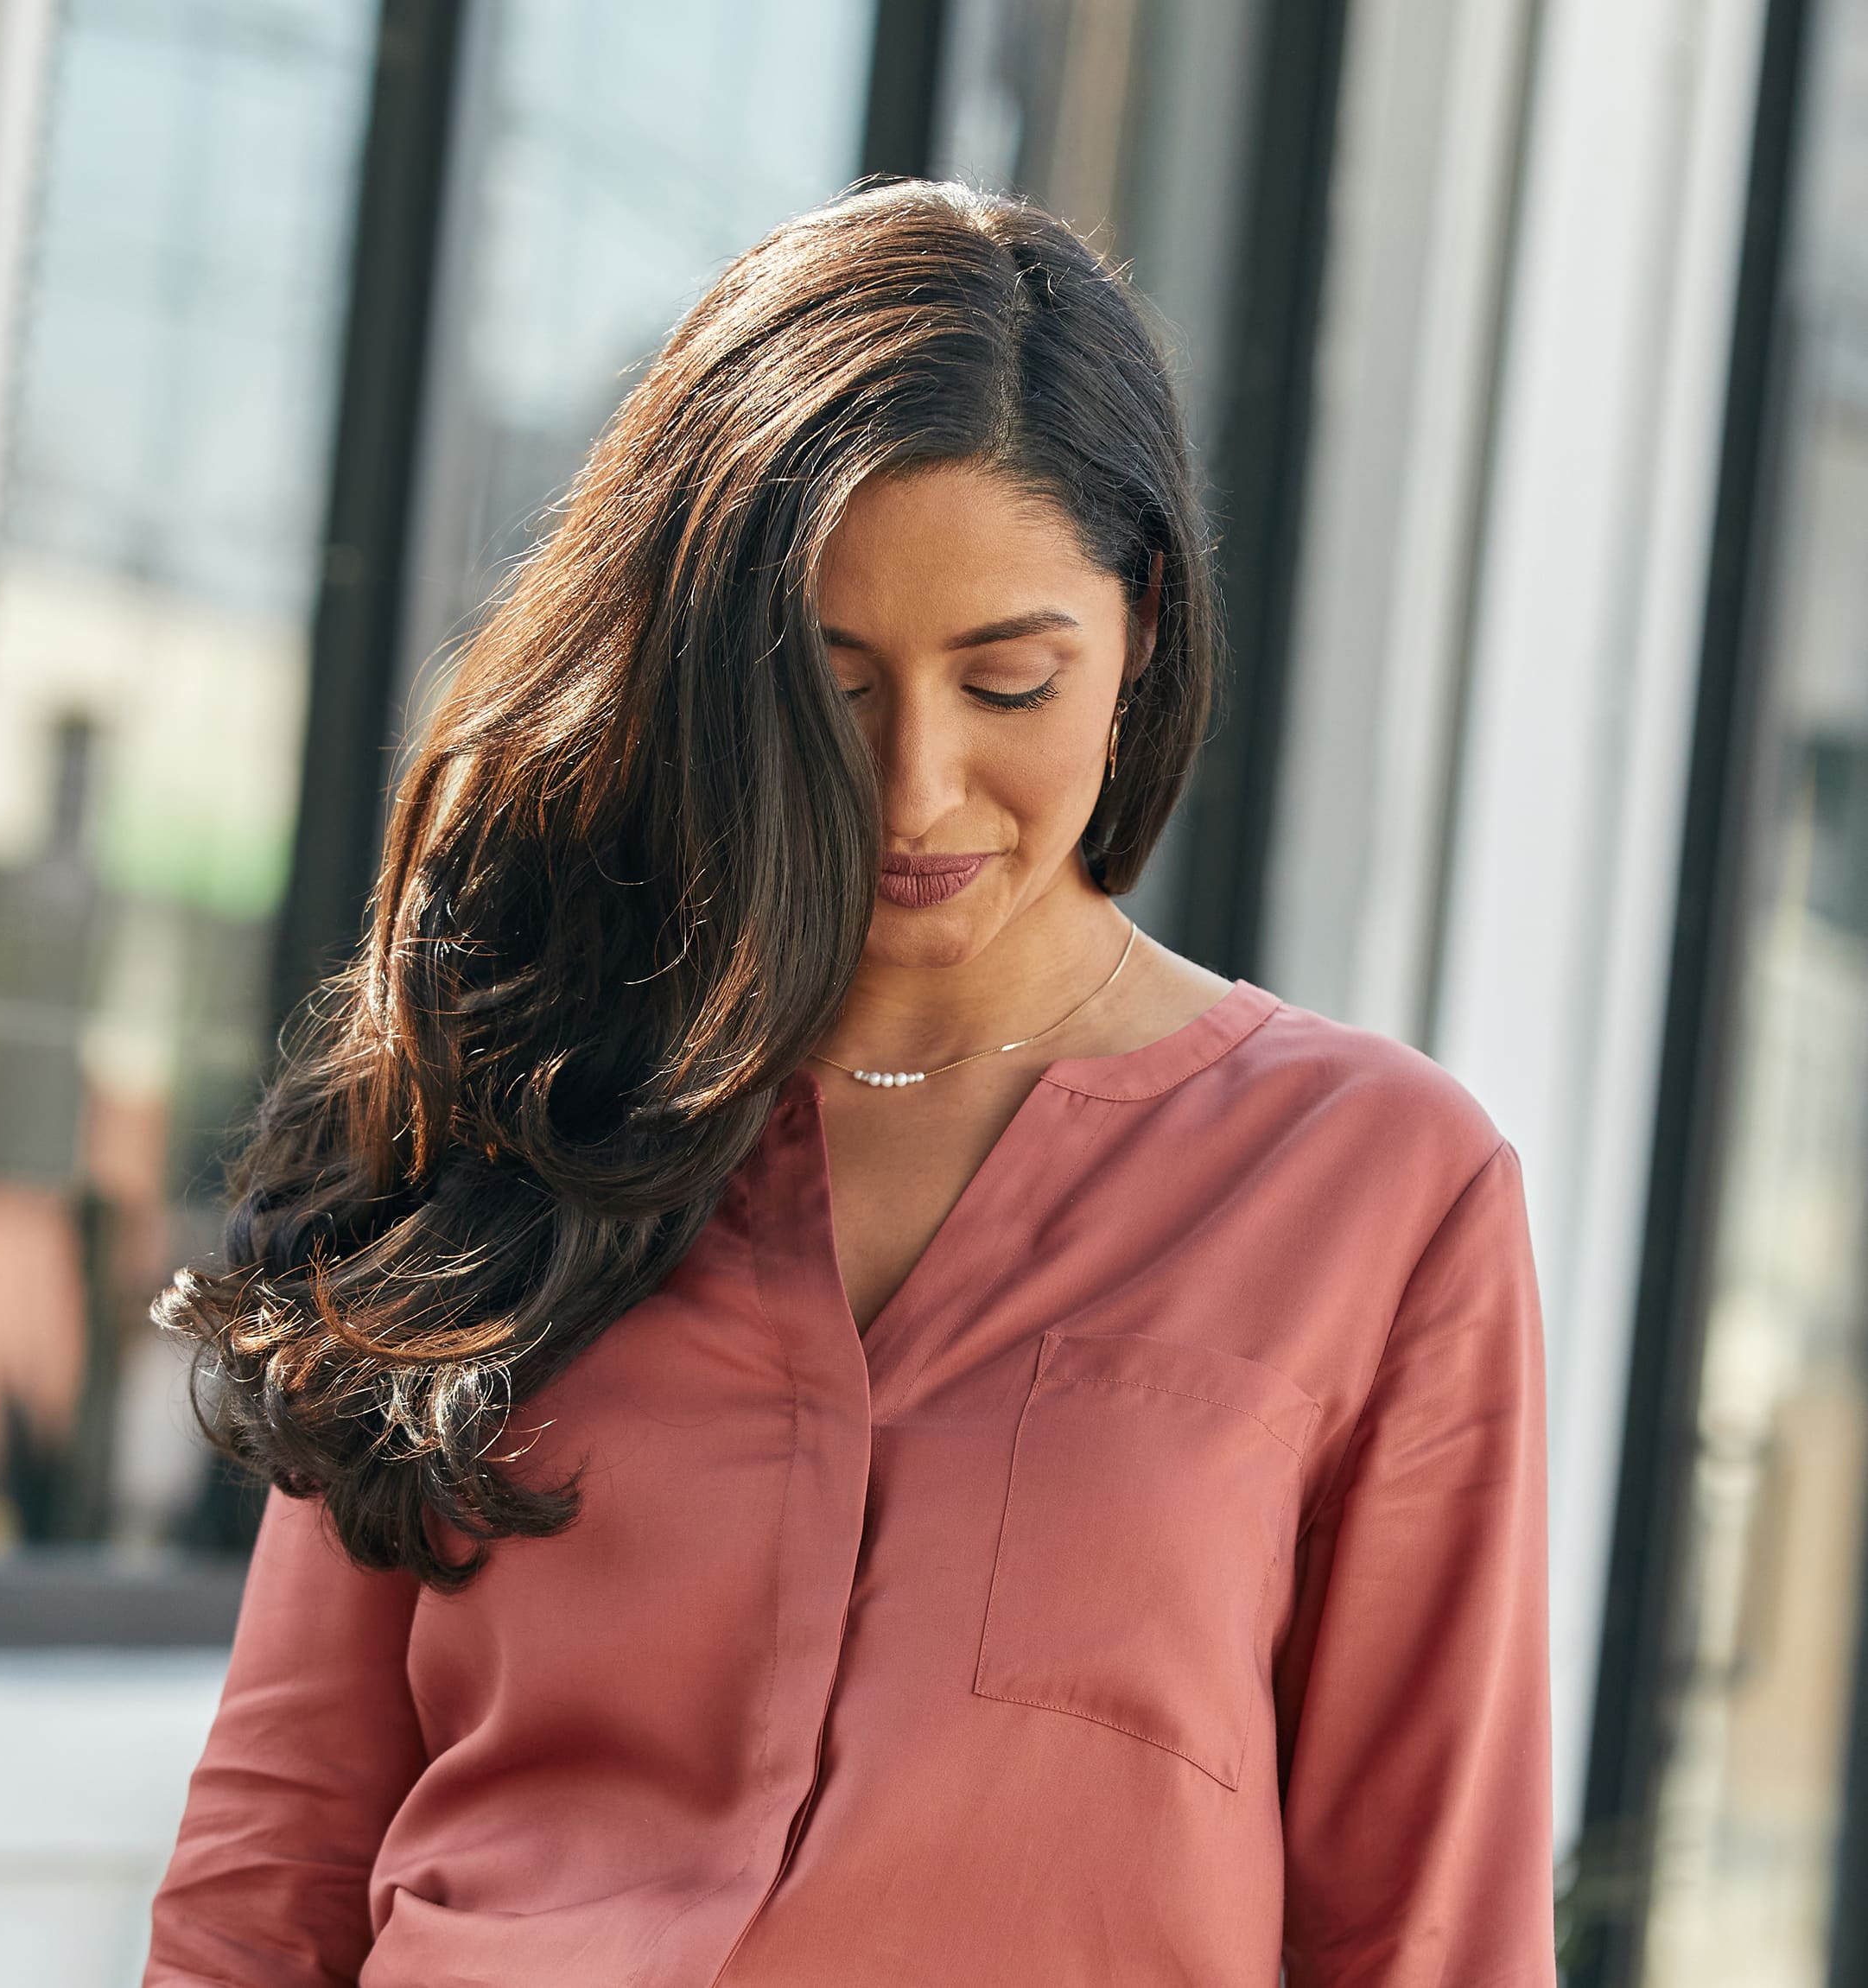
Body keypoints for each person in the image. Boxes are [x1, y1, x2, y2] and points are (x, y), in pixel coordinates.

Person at [143, 182, 1553, 1987]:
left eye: (1008, 681)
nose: (915, 790)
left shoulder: (1374, 1187)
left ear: (1136, 634)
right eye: (828, 687)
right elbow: (282, 1844)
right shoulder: (510, 1100)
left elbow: (1423, 1931)